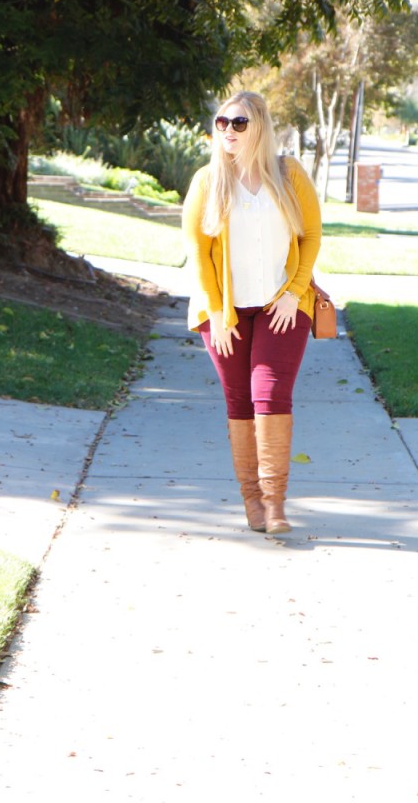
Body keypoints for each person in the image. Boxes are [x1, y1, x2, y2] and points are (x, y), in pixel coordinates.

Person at [182, 91, 322, 534]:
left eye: (238, 123)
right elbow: (198, 254)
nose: (228, 131)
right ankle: (252, 504)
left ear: (258, 125)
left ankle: (275, 503)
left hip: (281, 305)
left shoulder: (289, 174)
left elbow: (312, 236)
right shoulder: (207, 182)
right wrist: (219, 312)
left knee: (271, 394)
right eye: (221, 122)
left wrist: (292, 291)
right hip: (224, 313)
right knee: (239, 401)